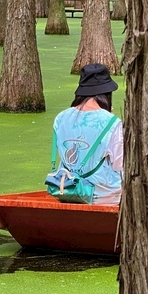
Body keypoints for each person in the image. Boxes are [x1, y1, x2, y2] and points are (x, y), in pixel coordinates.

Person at [45, 63, 124, 205]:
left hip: (68, 191)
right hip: (106, 198)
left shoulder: (60, 118)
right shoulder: (112, 122)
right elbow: (120, 164)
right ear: (106, 93)